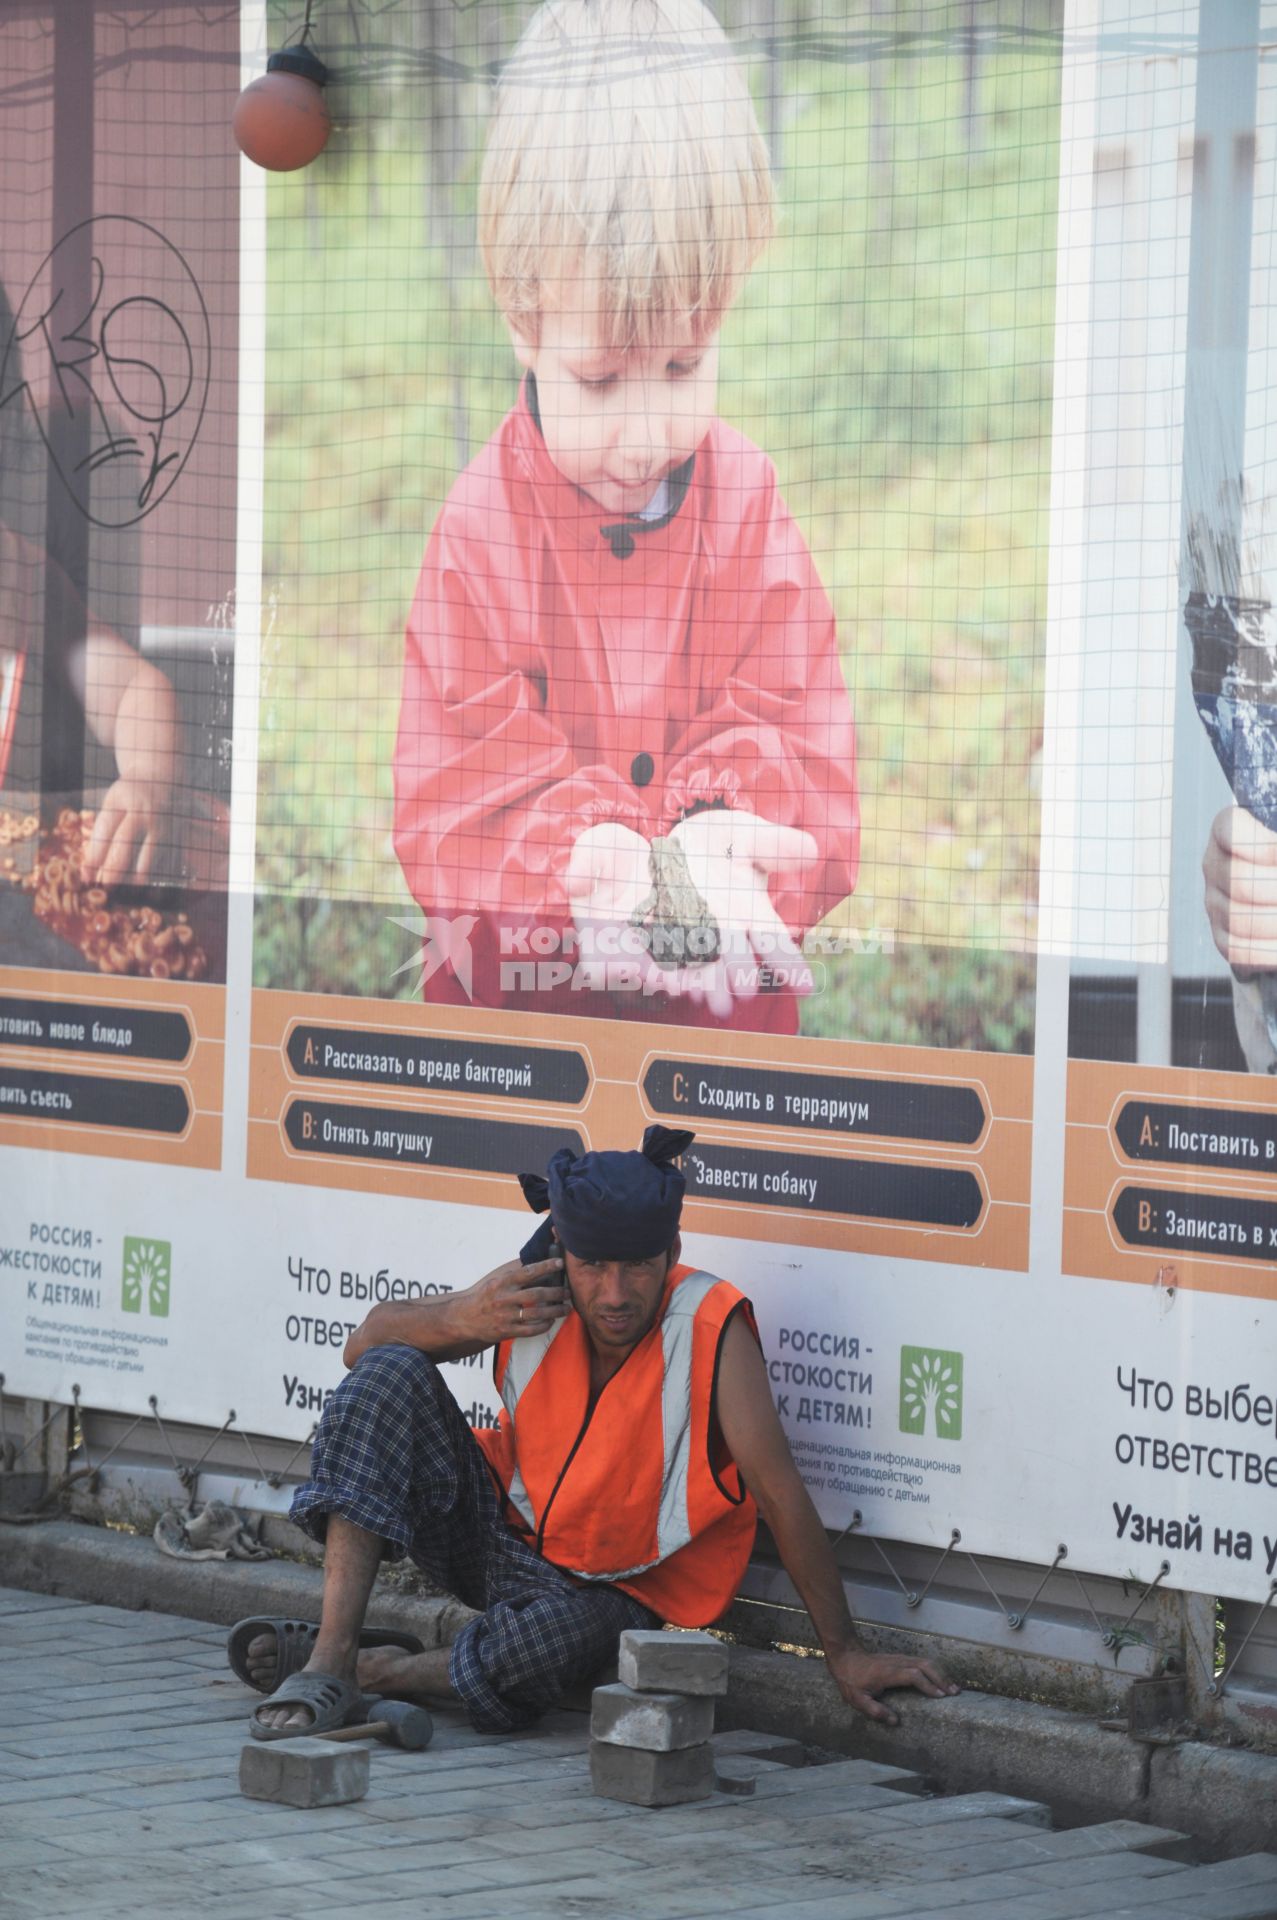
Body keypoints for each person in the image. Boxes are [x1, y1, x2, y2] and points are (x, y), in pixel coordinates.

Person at [391, 0, 858, 1033]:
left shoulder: (748, 508)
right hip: (522, 1034)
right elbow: (454, 798)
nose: (646, 430)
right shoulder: (477, 537)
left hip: (710, 1031)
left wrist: (716, 834)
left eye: (683, 365)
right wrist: (583, 861)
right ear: (521, 320)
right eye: (600, 378)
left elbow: (797, 733)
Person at [243, 1127, 956, 1738]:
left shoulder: (709, 1325)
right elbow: (363, 1345)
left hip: (613, 1589)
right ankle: (331, 1658)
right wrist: (466, 1315)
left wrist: (844, 1651)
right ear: (562, 1250)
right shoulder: (531, 1293)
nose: (615, 1294)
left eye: (639, 1266)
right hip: (499, 1537)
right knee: (386, 1375)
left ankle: (383, 1670)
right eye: (592, 1268)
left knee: (551, 1648)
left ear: (670, 1249)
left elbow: (777, 1489)